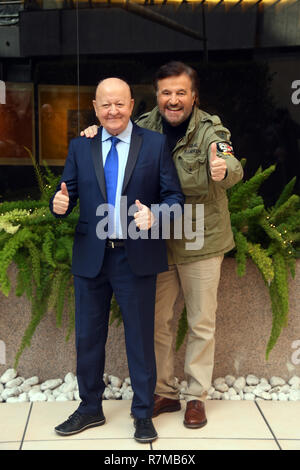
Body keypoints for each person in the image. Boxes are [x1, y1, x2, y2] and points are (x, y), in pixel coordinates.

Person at [81, 62, 244, 429]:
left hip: (199, 239)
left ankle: (197, 396)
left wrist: (224, 170)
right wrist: (95, 130)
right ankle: (164, 391)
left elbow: (230, 162)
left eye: (181, 93)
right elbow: (114, 132)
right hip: (155, 240)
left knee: (201, 320)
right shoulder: (144, 126)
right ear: (156, 97)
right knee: (157, 321)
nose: (173, 100)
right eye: (166, 93)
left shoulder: (210, 129)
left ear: (193, 96)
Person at [50, 77, 184, 443]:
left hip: (135, 256)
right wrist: (57, 205)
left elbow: (175, 197)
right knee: (88, 338)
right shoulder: (82, 146)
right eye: (105, 105)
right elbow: (66, 193)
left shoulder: (154, 144)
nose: (112, 111)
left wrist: (156, 215)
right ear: (95, 107)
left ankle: (142, 414)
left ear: (131, 105)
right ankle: (89, 408)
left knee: (140, 339)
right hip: (92, 258)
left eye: (120, 104)